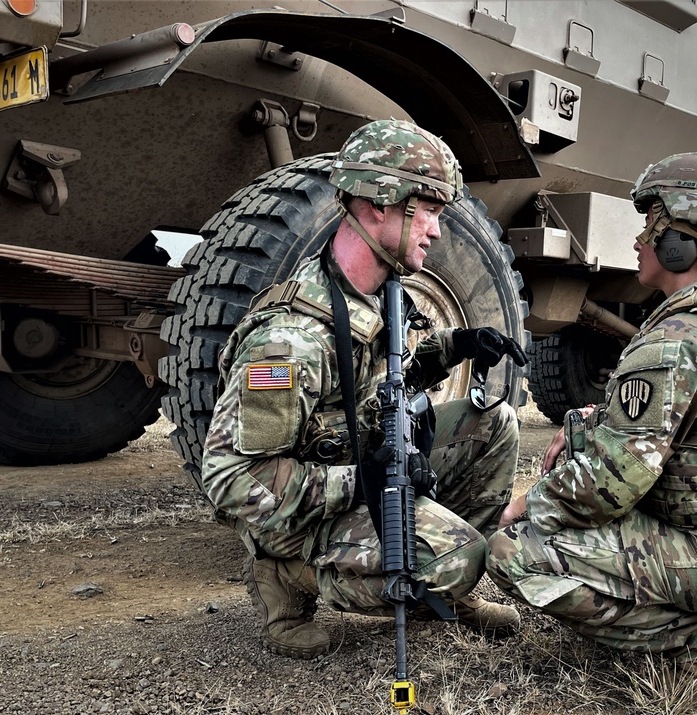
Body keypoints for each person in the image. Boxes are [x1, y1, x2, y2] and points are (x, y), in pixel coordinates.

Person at [486, 152, 697, 686]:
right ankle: (695, 612)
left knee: (514, 550)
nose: (639, 241)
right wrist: (585, 429)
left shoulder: (679, 339)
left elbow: (605, 486)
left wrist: (516, 508)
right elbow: (660, 429)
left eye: (650, 227)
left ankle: (691, 636)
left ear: (680, 242)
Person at [202, 119, 528, 659]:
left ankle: (435, 588)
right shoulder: (290, 343)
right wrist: (361, 482)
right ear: (382, 204)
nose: (437, 231)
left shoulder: (377, 291)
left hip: (361, 462)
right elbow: (232, 479)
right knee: (459, 557)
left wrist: (457, 345)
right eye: (429, 211)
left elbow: (378, 376)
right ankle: (285, 576)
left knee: (494, 425)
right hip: (303, 515)